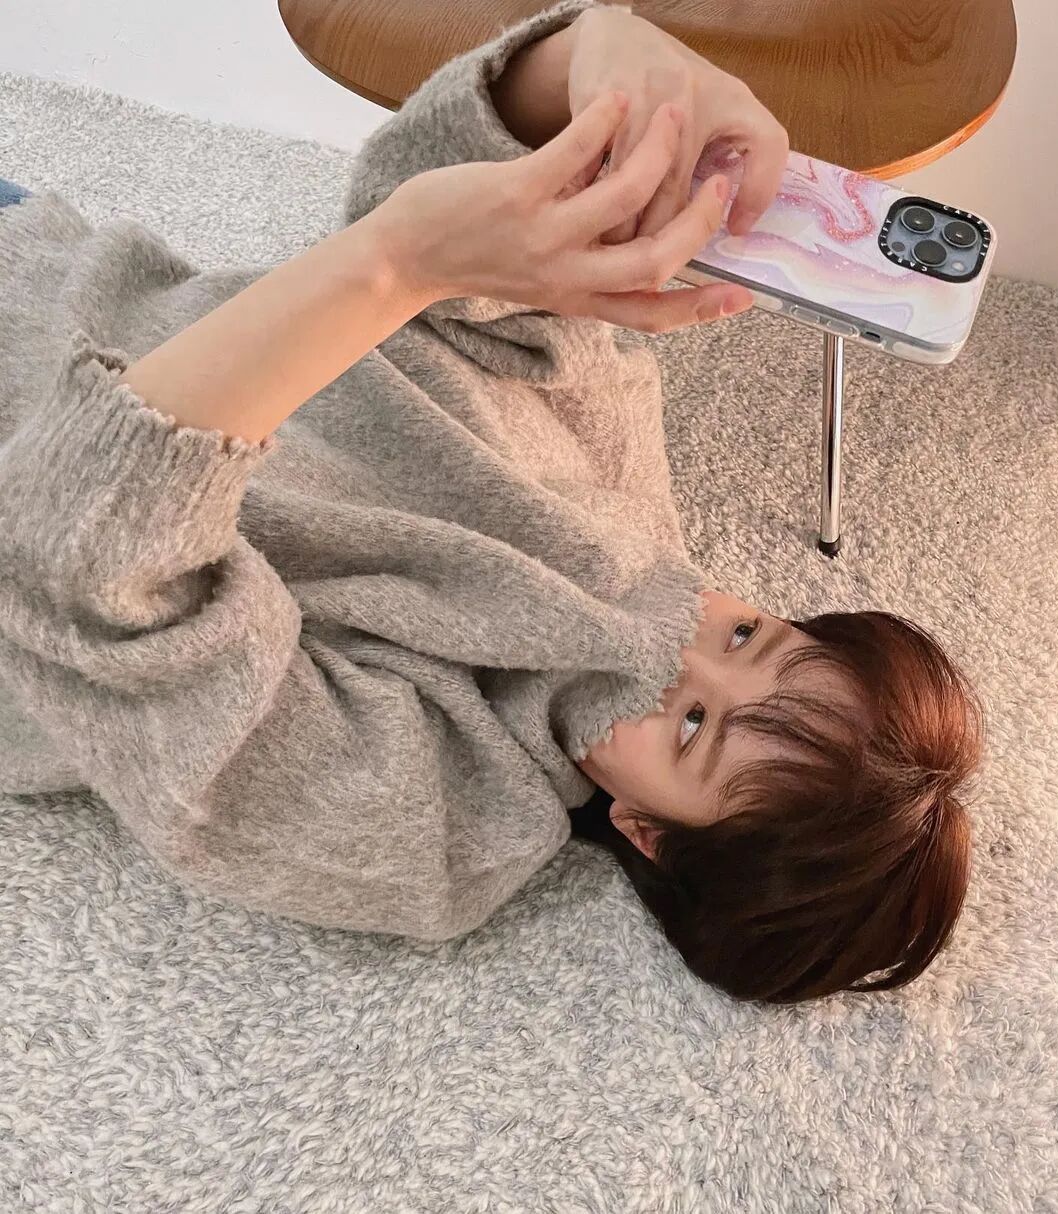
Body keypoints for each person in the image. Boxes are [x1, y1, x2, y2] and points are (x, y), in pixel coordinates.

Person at [0, 2, 981, 1003]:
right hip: (40, 259)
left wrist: (394, 265)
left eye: (692, 727)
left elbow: (76, 569)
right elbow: (443, 216)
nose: (681, 651)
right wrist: (572, 74)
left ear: (647, 832)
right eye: (746, 635)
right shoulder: (621, 480)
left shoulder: (423, 821)